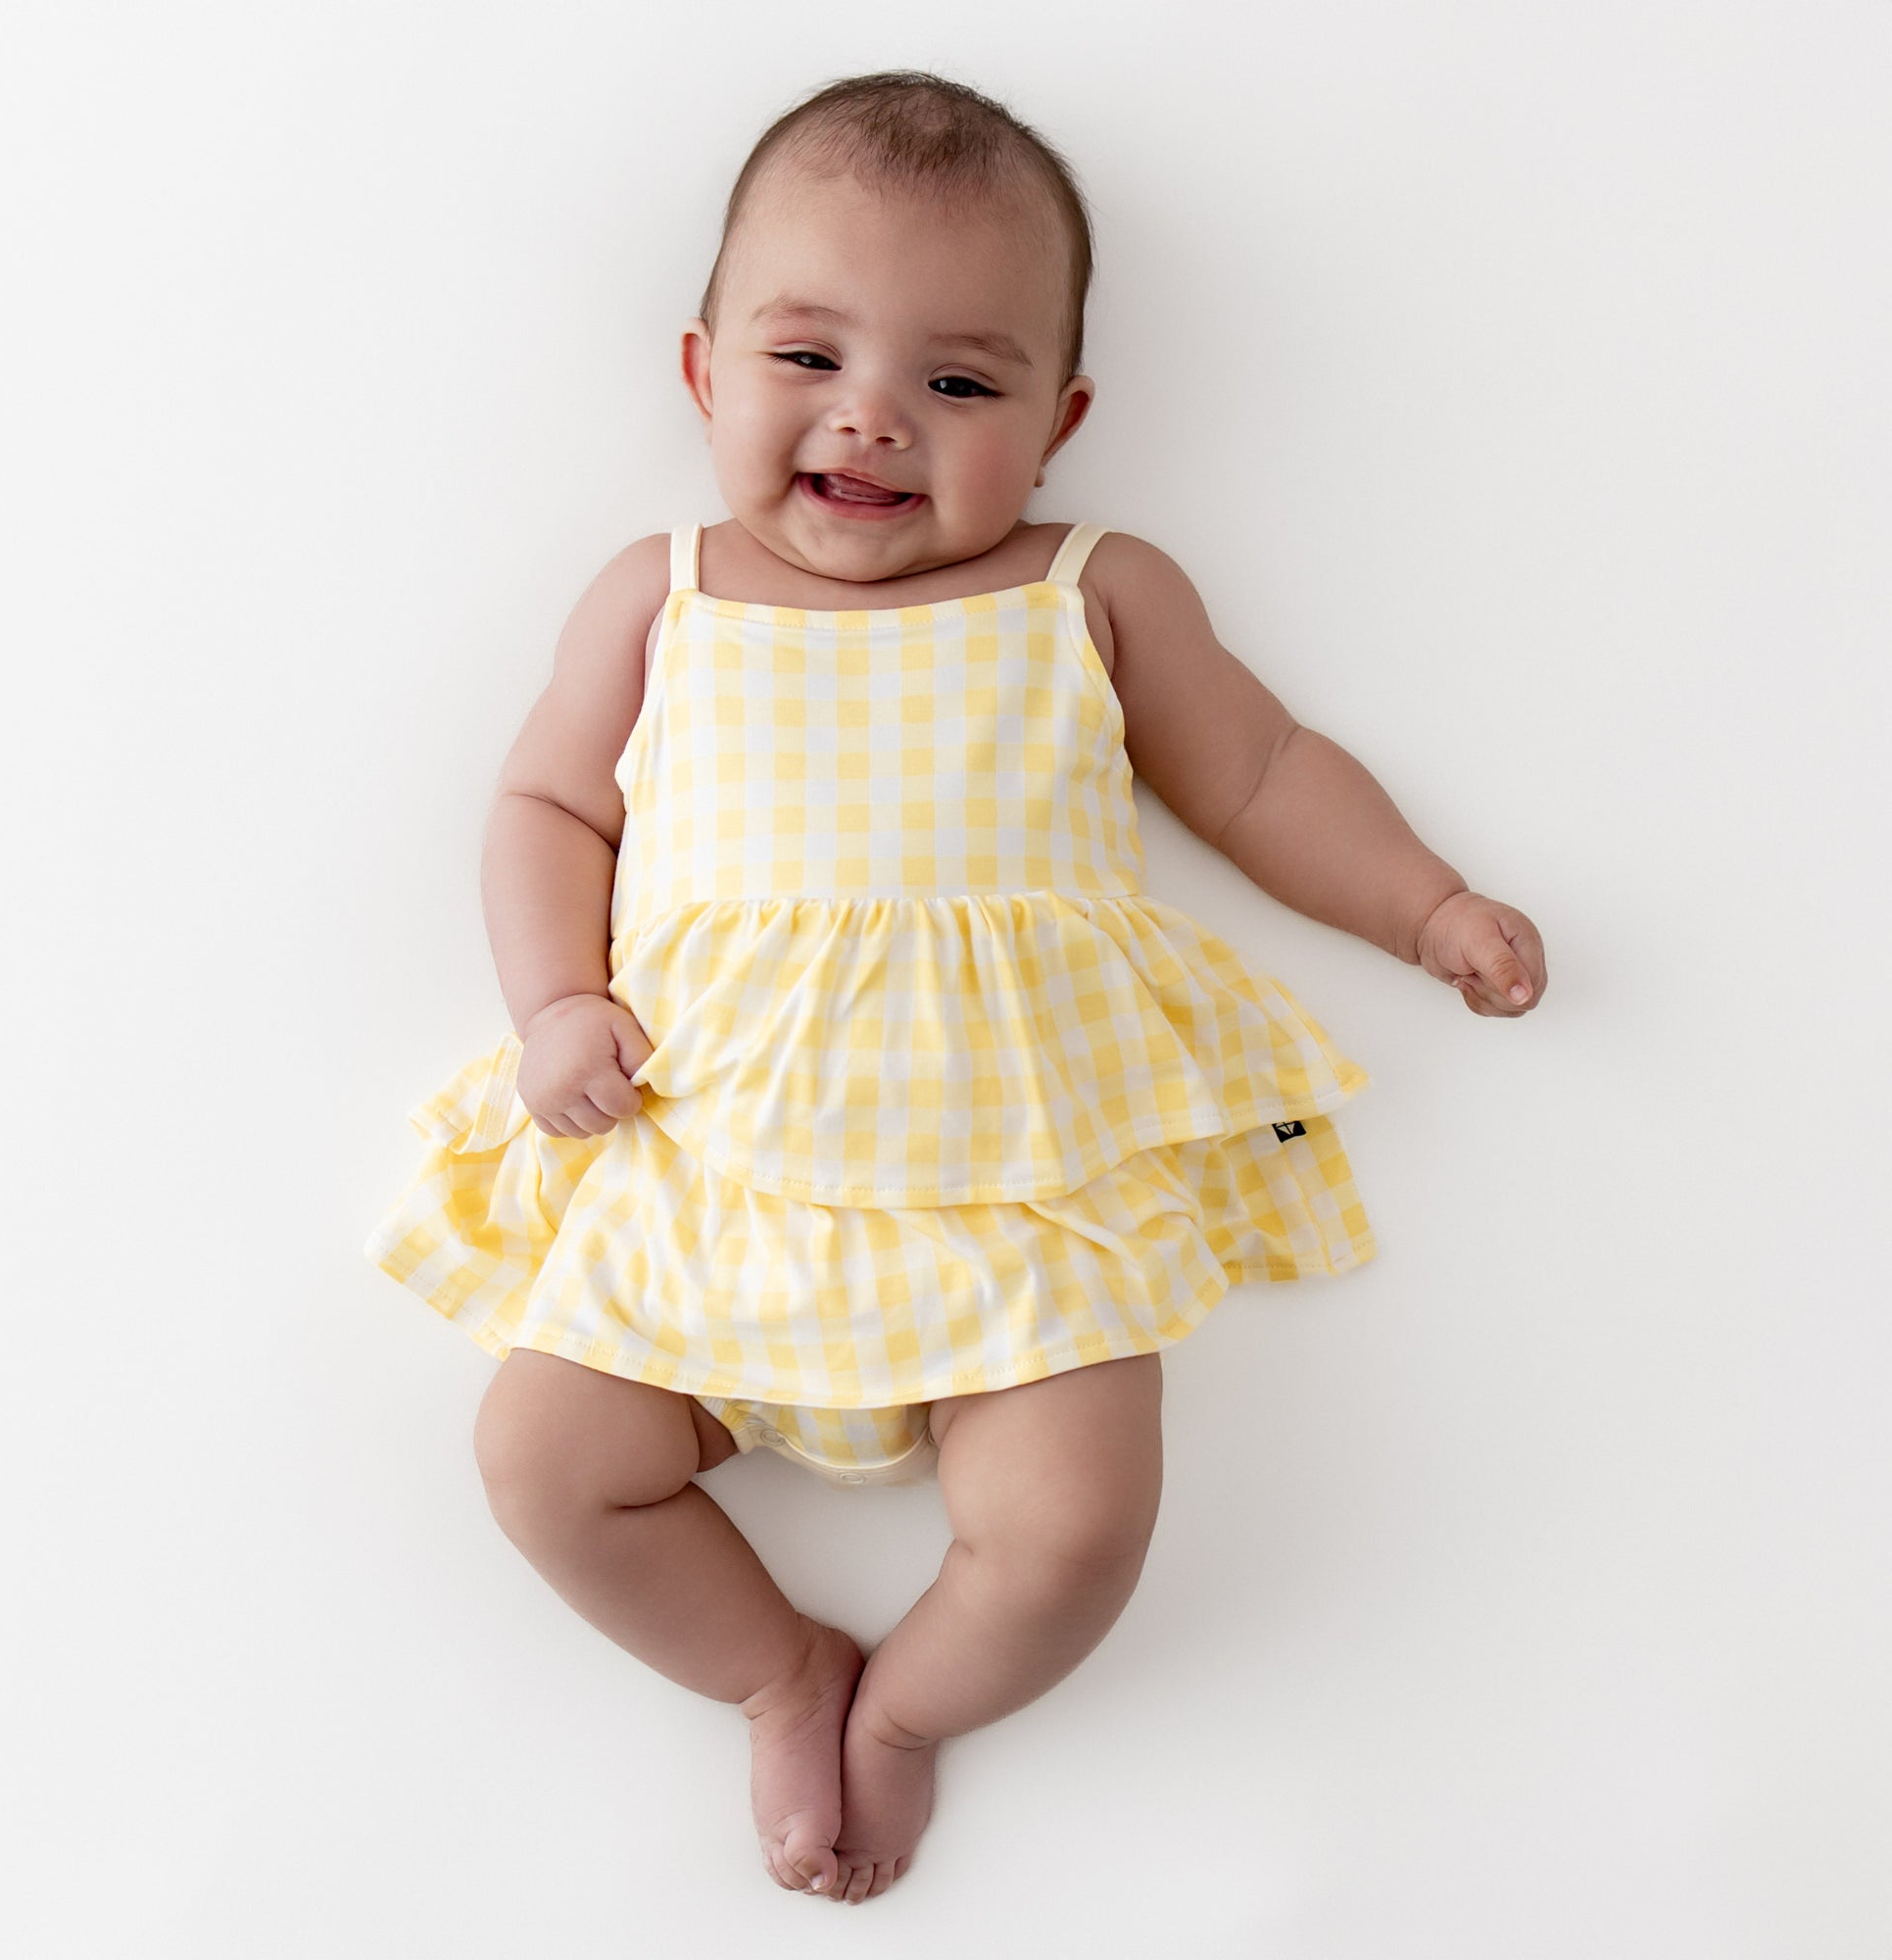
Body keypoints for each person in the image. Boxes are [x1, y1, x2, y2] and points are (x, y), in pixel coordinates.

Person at [363, 69, 1547, 1906]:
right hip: (712, 1171)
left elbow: (1257, 776)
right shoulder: (662, 594)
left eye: (961, 383)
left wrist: (1428, 905)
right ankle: (778, 1673)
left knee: (1072, 1533)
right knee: (542, 1465)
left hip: (1022, 1183)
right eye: (807, 360)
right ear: (701, 375)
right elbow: (539, 803)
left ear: (1061, 423)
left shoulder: (1089, 590)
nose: (875, 423)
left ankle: (903, 1715)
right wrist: (553, 1003)